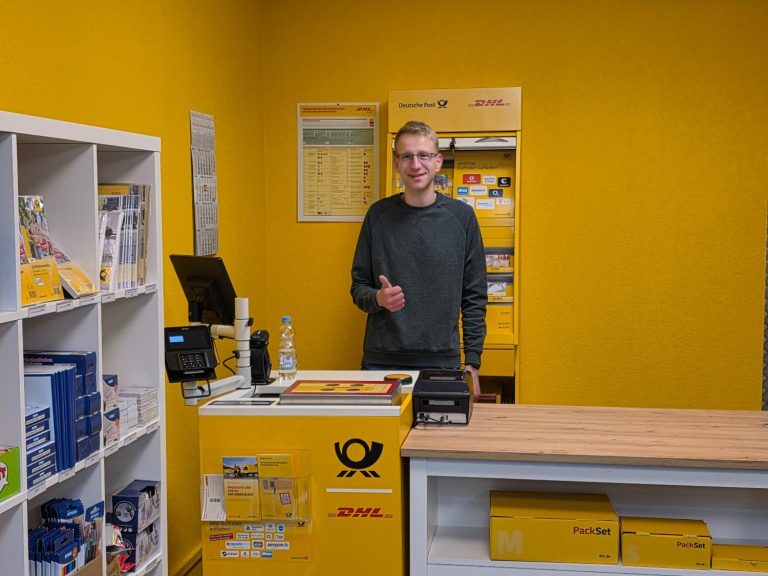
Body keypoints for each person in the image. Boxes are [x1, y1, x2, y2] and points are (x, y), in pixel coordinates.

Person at [350, 120, 487, 397]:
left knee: (439, 428)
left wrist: (472, 362)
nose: (415, 165)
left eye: (423, 155)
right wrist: (378, 299)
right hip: (381, 361)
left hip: (442, 361)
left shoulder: (462, 218)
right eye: (406, 156)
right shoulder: (378, 216)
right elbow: (358, 286)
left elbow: (474, 296)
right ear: (396, 163)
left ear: (438, 161)